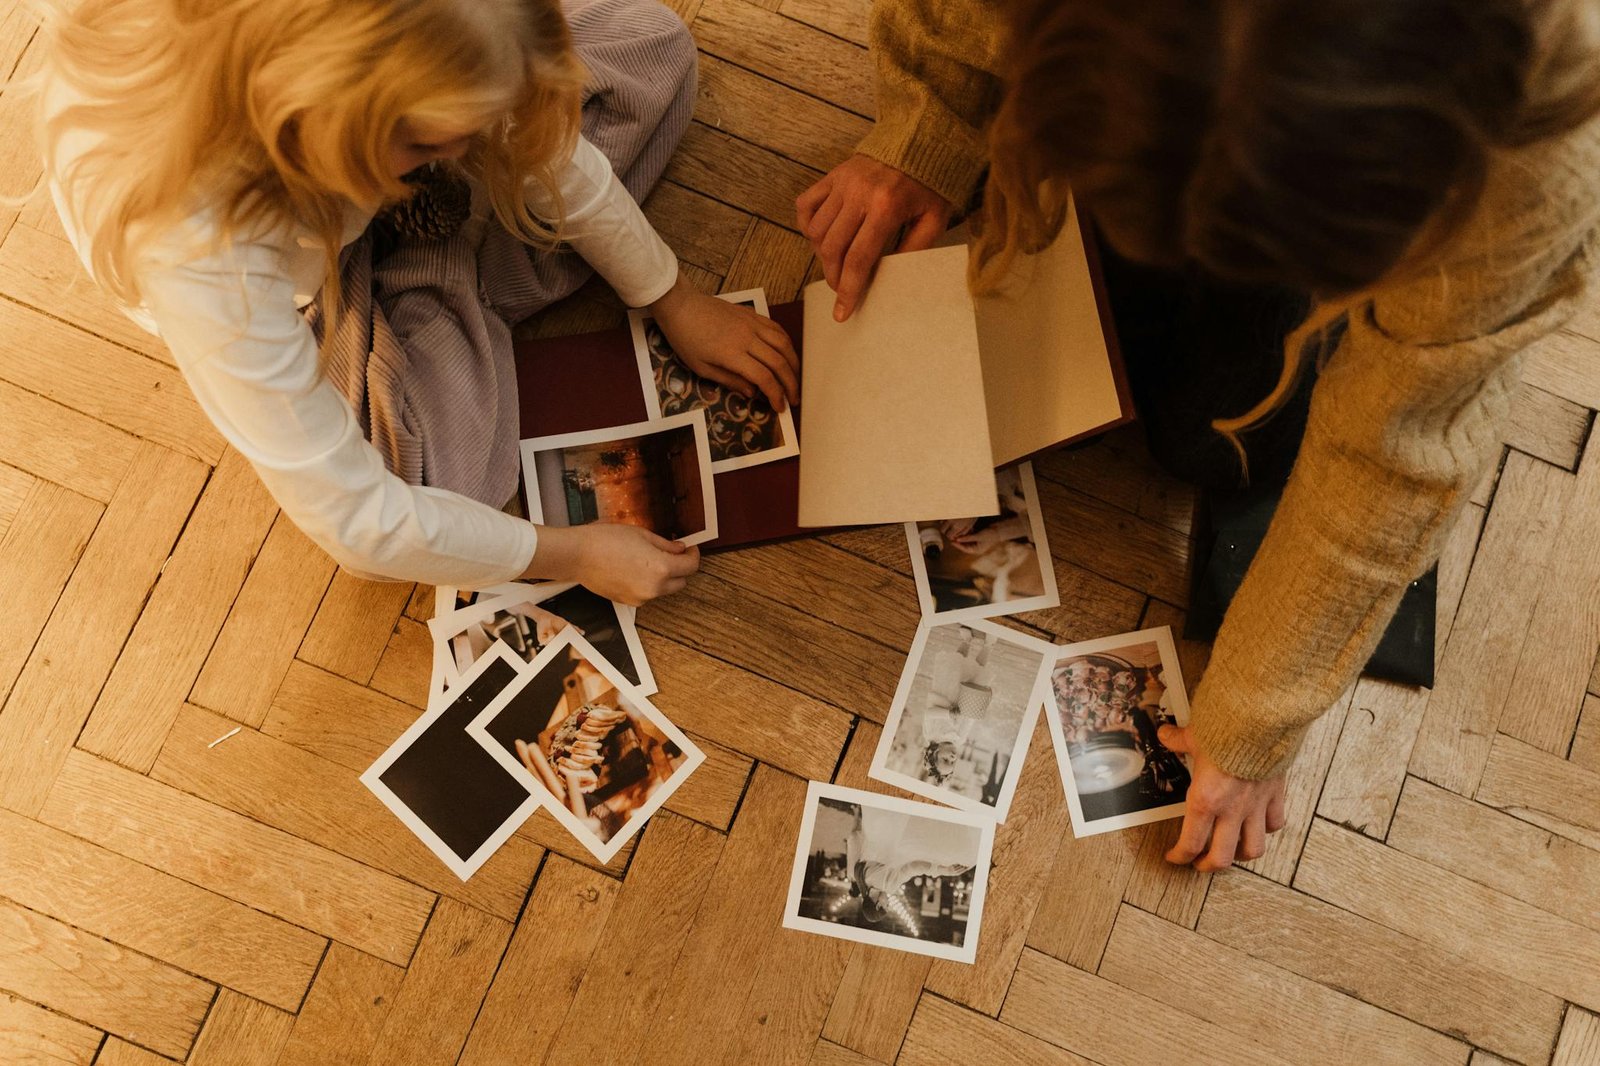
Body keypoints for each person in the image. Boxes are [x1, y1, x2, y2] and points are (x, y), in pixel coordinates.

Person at [799, 0, 1600, 870]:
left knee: (1212, 444)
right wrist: (936, 121)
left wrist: (1257, 719)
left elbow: (1394, 451)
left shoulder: (1535, 165)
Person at [30, 0, 800, 606]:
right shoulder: (204, 255)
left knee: (648, 42)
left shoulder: (408, 57)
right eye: (435, 145)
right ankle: (433, 256)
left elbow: (532, 138)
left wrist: (671, 293)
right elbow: (360, 525)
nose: (471, 154)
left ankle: (441, 247)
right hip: (309, 288)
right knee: (450, 490)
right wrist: (567, 552)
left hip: (358, 173)